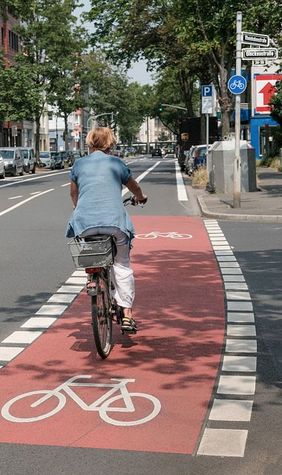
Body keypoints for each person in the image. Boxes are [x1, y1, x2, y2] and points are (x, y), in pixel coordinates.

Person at [66, 127, 147, 332]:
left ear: (90, 143)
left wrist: (80, 209)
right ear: (110, 144)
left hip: (84, 223)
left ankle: (93, 278)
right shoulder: (116, 163)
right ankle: (127, 313)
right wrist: (140, 197)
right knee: (122, 264)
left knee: (94, 252)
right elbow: (134, 186)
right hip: (114, 223)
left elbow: (73, 195)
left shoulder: (79, 164)